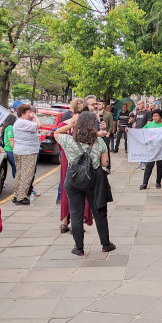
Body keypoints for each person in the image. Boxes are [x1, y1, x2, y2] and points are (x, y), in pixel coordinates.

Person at [54, 112, 115, 256]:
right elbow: (104, 163)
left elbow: (56, 132)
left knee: (75, 214)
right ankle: (106, 244)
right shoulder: (99, 142)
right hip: (93, 181)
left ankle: (79, 248)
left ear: (78, 125)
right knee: (99, 212)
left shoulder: (68, 141)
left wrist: (70, 125)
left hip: (73, 181)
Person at [58, 99, 93, 233]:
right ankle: (77, 223)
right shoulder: (86, 125)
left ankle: (64, 222)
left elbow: (59, 143)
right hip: (82, 160)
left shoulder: (63, 124)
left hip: (67, 160)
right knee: (81, 190)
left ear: (72, 109)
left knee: (66, 189)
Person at [11, 104, 41, 205]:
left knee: (19, 174)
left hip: (20, 150)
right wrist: (35, 116)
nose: (30, 114)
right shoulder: (23, 122)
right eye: (29, 112)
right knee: (27, 174)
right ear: (23, 113)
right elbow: (39, 125)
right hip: (27, 151)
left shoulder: (20, 122)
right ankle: (21, 197)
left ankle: (16, 195)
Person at [139, 109, 162, 189]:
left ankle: (158, 182)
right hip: (151, 149)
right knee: (149, 165)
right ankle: (144, 183)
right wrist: (129, 131)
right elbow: (141, 133)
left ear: (160, 116)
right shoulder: (149, 125)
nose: (155, 117)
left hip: (161, 149)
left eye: (157, 115)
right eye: (154, 116)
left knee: (160, 166)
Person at [2, 114, 17, 179]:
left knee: (14, 166)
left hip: (7, 149)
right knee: (15, 166)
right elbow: (11, 139)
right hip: (10, 150)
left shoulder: (7, 127)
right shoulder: (10, 127)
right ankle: (17, 180)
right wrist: (15, 149)